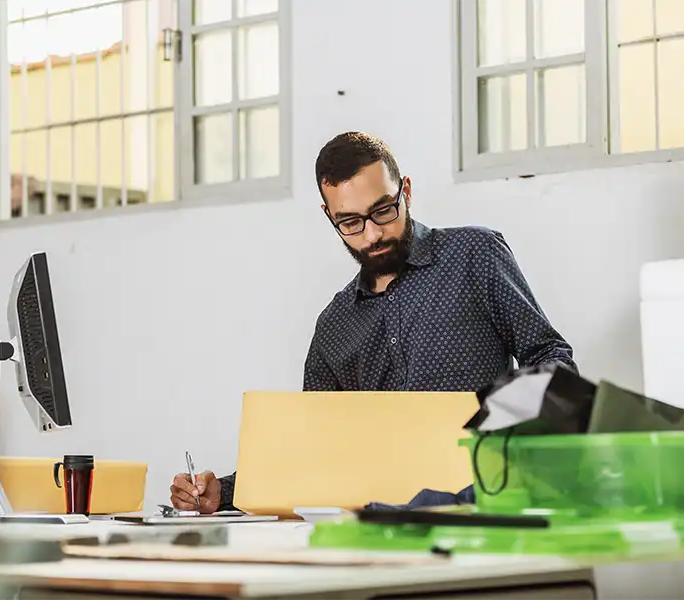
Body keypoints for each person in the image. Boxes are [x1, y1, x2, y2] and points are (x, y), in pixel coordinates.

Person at [170, 131, 576, 513]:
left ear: (407, 192)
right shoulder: (334, 325)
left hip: (485, 504)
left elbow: (548, 355)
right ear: (330, 217)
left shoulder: (474, 255)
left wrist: (517, 440)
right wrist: (224, 493)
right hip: (381, 523)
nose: (372, 235)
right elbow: (315, 446)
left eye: (383, 210)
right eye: (351, 223)